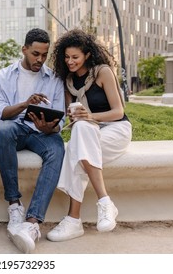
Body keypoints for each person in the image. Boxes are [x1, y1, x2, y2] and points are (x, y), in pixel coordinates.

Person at [46, 29, 132, 242]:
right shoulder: (67, 81)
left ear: (87, 55)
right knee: (81, 133)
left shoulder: (102, 72)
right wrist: (72, 116)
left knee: (78, 147)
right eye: (66, 57)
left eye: (75, 57)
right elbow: (75, 121)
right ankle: (101, 206)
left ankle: (77, 218)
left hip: (115, 129)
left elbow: (118, 112)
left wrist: (90, 116)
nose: (70, 61)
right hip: (88, 133)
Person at [0, 28, 66, 253]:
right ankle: (14, 205)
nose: (39, 60)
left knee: (57, 149)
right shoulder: (3, 75)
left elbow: (59, 118)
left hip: (42, 133)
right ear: (24, 49)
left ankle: (32, 223)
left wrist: (50, 127)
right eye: (35, 54)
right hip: (16, 128)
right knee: (3, 131)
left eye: (44, 55)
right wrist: (25, 104)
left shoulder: (54, 78)